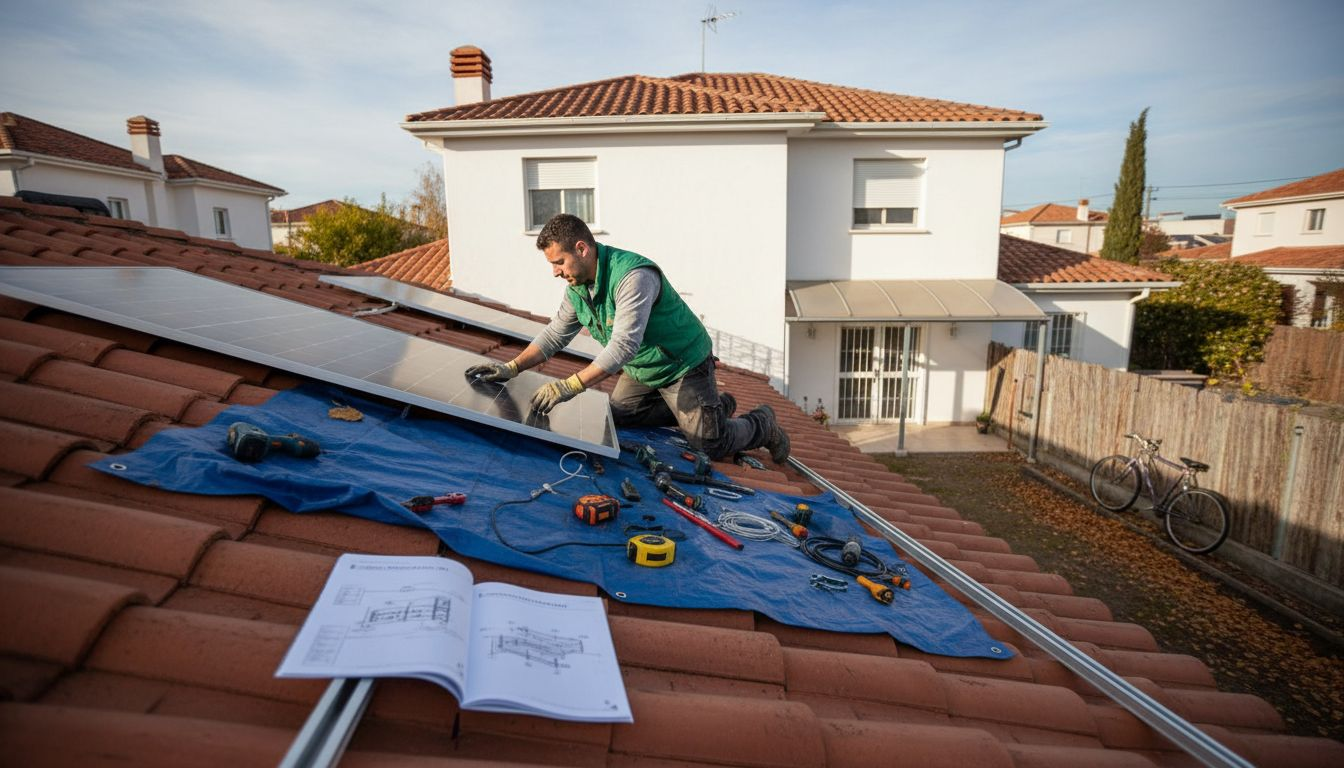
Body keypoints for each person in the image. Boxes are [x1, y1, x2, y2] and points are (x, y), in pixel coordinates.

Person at [464, 213, 790, 464]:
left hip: (680, 365)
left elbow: (623, 345)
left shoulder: (633, 277)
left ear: (582, 248)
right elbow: (555, 334)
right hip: (641, 371)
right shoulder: (578, 287)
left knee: (709, 444)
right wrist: (512, 367)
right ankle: (713, 408)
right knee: (612, 417)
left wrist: (568, 386)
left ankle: (762, 424)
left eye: (559, 262)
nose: (555, 272)